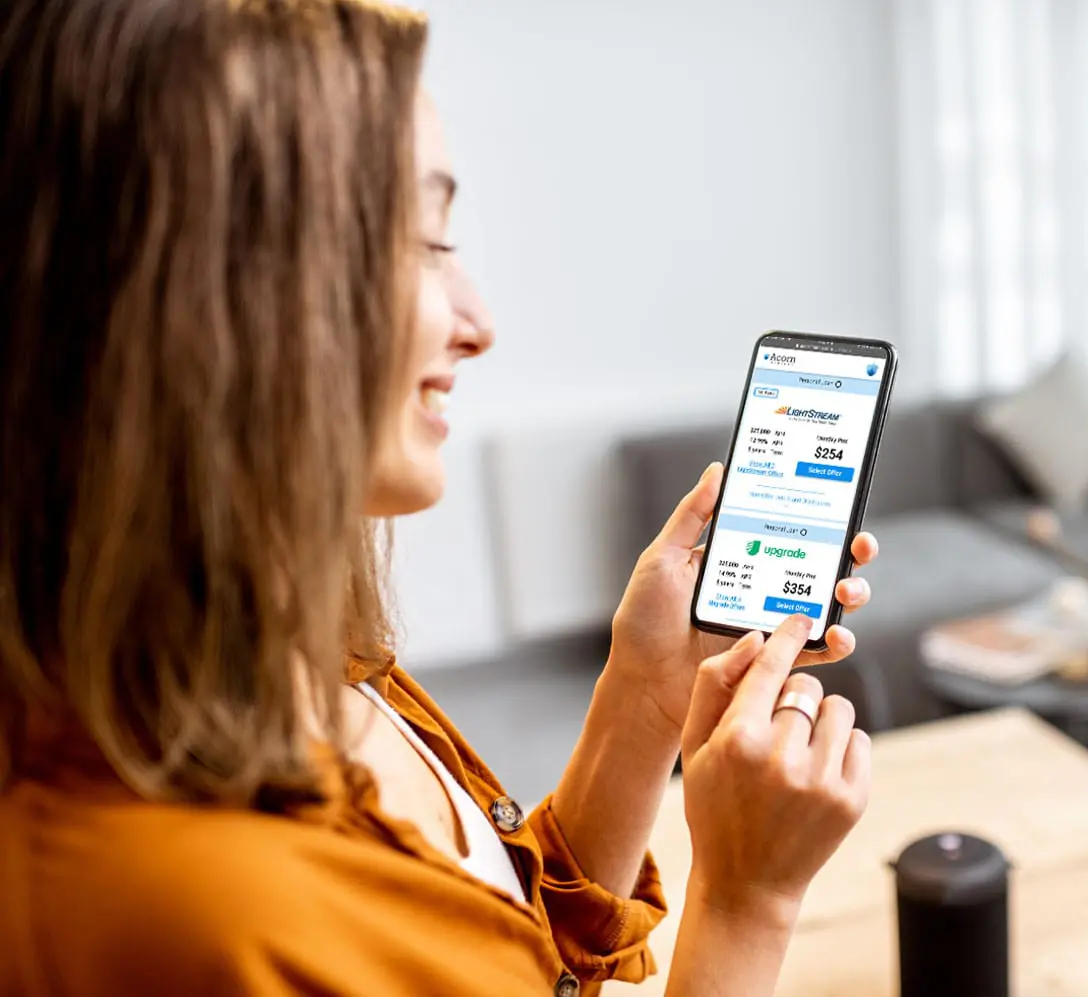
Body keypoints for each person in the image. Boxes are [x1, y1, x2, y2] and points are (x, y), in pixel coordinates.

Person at [0, 2, 880, 995]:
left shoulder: (299, 662)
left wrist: (642, 693)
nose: (479, 322)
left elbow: (502, 950)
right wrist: (745, 901)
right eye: (419, 242)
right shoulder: (205, 913)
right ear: (208, 293)